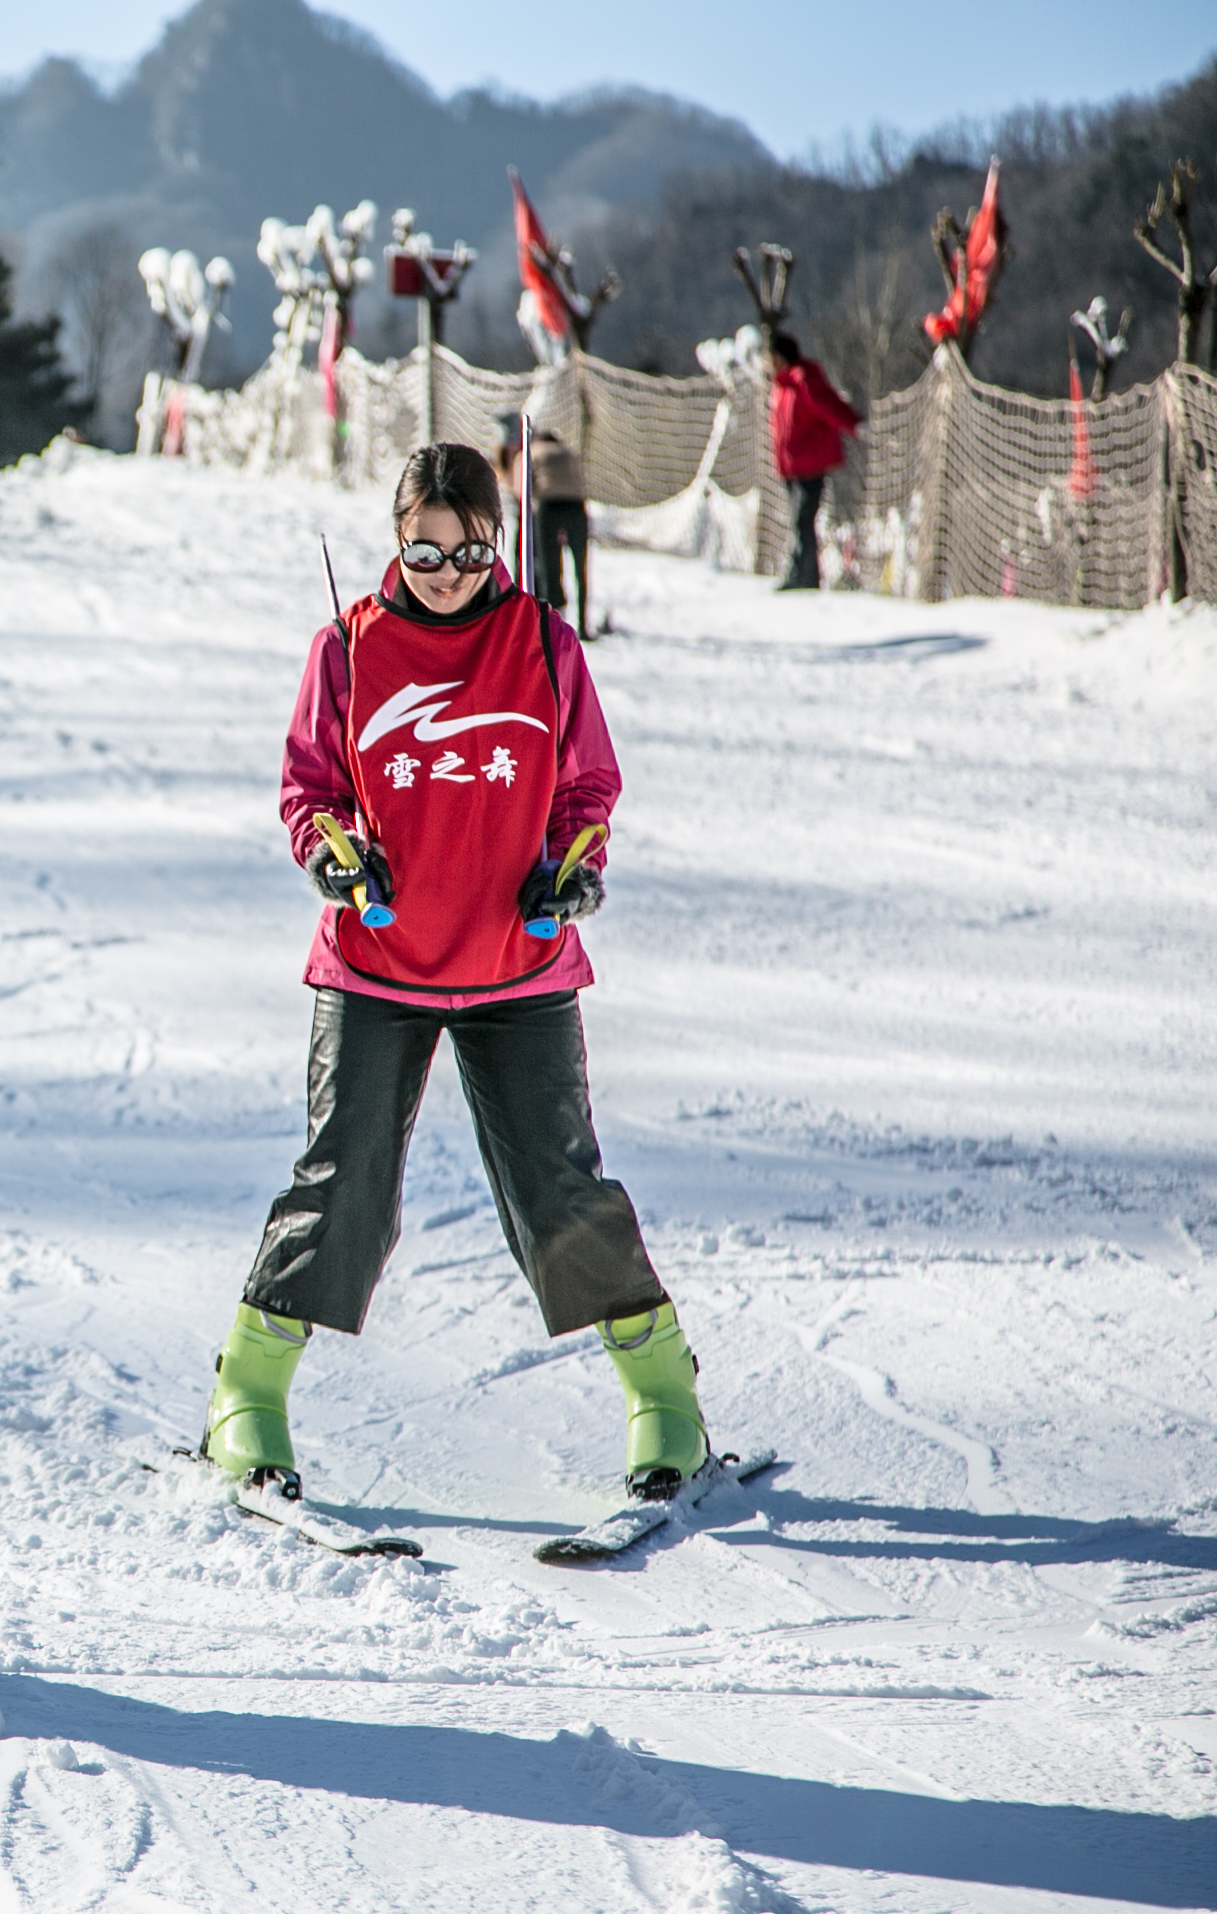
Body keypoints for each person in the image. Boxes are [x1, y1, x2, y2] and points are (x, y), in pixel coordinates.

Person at [196, 442, 714, 1518]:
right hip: (376, 961)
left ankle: (666, 1403)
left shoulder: (542, 644)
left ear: (500, 539)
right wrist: (333, 850)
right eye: (425, 548)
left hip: (517, 964)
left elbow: (588, 784)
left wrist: (576, 865)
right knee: (343, 1181)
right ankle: (247, 1397)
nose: (446, 571)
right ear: (396, 539)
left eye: (470, 548)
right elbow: (310, 786)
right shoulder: (346, 649)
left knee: (559, 1190)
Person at [768, 331, 862, 591]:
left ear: (780, 356)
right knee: (797, 521)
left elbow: (830, 406)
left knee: (802, 520)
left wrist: (855, 425)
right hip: (791, 467)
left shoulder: (804, 381)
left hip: (810, 465)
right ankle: (800, 574)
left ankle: (805, 578)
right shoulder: (782, 384)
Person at [527, 426, 590, 636]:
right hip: (576, 505)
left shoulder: (532, 451)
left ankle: (550, 623)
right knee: (580, 568)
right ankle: (582, 624)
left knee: (549, 566)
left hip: (549, 504)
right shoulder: (569, 452)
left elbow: (525, 487)